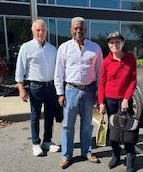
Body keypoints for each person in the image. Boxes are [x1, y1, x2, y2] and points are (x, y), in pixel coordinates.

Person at [54, 16, 103, 169]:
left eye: (81, 28)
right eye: (75, 28)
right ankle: (66, 156)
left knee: (87, 125)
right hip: (70, 90)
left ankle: (86, 152)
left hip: (89, 91)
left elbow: (100, 73)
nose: (78, 30)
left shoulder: (95, 48)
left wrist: (98, 94)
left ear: (85, 30)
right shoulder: (64, 48)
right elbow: (59, 72)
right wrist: (60, 93)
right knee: (68, 125)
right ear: (71, 30)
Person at [15, 19, 60, 157]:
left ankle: (47, 141)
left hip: (51, 87)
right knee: (35, 116)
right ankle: (35, 143)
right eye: (38, 30)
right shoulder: (26, 47)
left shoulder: (53, 49)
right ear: (33, 31)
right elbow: (20, 69)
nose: (41, 33)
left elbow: (58, 70)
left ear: (46, 31)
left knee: (49, 115)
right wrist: (21, 88)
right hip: (36, 87)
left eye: (43, 30)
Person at [98, 31, 138, 172]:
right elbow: (101, 83)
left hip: (125, 100)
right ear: (108, 45)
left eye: (117, 42)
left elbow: (133, 81)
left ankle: (130, 158)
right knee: (113, 132)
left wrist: (126, 99)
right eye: (111, 42)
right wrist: (101, 103)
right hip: (110, 101)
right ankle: (116, 155)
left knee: (128, 132)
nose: (114, 44)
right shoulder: (106, 62)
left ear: (123, 43)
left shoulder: (130, 58)